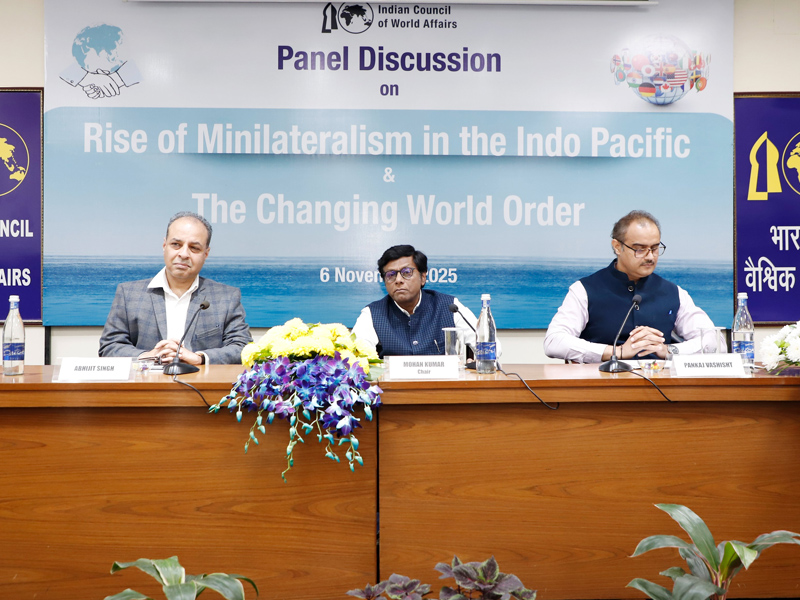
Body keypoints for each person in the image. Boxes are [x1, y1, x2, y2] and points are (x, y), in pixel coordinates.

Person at [544, 210, 714, 363]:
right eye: (640, 249)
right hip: (602, 382)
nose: (650, 257)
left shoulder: (674, 292)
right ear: (617, 247)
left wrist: (669, 351)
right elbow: (554, 341)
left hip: (661, 384)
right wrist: (616, 352)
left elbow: (713, 340)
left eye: (655, 248)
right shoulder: (584, 290)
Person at [99, 211, 252, 365]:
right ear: (164, 245)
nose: (184, 254)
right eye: (176, 245)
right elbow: (109, 347)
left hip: (202, 380)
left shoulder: (226, 297)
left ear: (206, 253)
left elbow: (243, 347)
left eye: (194, 248)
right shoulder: (128, 294)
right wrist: (148, 356)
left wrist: (200, 357)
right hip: (147, 379)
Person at [352, 244, 480, 358]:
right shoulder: (373, 313)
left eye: (406, 272)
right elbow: (357, 357)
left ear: (423, 277)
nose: (398, 280)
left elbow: (487, 346)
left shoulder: (450, 306)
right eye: (391, 275)